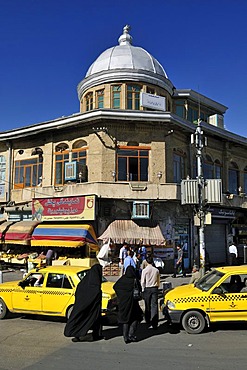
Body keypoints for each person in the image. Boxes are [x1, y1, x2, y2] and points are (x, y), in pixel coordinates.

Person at [64, 264, 104, 342]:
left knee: (81, 319)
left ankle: (85, 335)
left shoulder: (84, 282)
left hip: (83, 306)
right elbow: (95, 294)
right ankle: (93, 334)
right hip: (92, 307)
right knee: (92, 320)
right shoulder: (95, 285)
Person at [113, 265, 143, 344]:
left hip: (124, 303)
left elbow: (115, 287)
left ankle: (125, 337)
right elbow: (139, 289)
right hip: (133, 304)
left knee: (125, 320)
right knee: (135, 318)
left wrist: (121, 295)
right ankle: (131, 334)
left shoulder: (122, 279)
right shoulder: (134, 280)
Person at [141, 256, 160, 329]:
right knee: (154, 305)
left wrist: (143, 290)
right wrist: (157, 286)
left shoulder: (144, 271)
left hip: (147, 288)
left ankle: (148, 320)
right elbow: (158, 280)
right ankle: (155, 322)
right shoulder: (156, 270)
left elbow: (143, 282)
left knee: (147, 305)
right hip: (154, 288)